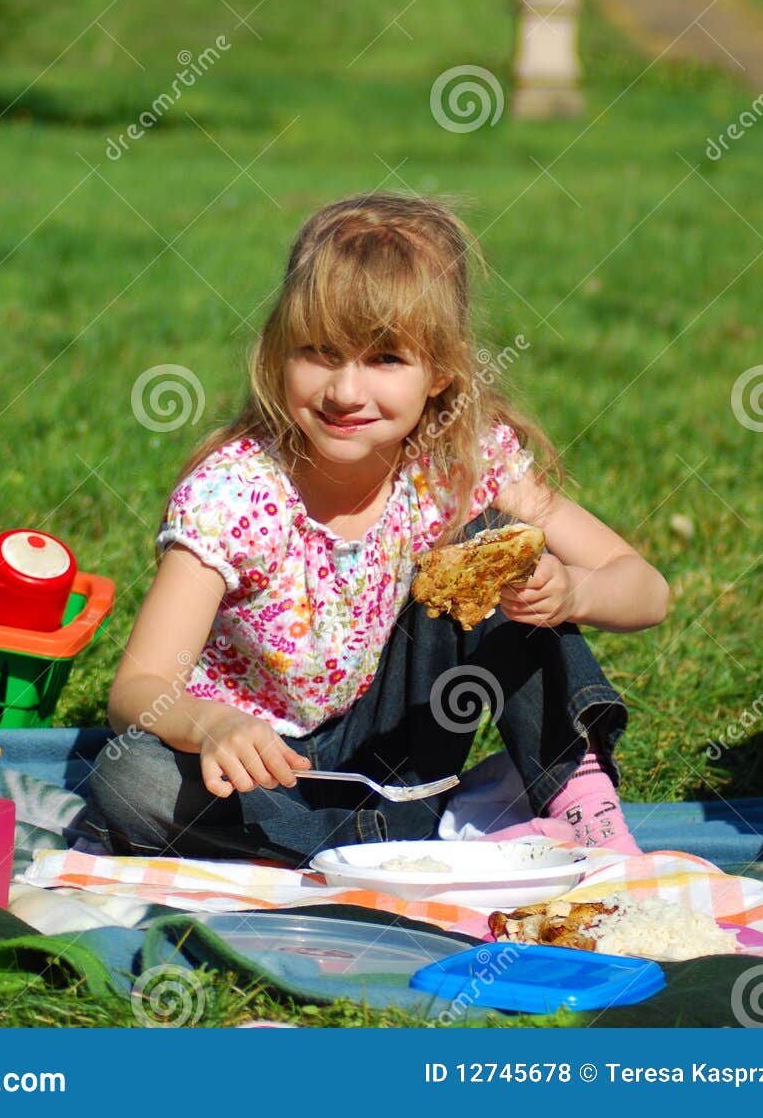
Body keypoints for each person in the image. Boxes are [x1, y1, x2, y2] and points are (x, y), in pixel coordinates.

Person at [86, 192, 669, 866]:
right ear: (279, 351)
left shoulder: (460, 459)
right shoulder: (234, 493)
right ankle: (396, 842)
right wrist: (209, 723)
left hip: (402, 761)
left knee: (499, 552)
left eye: (385, 359)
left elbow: (645, 590)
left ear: (441, 370)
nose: (344, 391)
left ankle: (571, 794)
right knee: (129, 779)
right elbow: (136, 690)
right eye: (319, 352)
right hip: (258, 774)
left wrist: (575, 595)